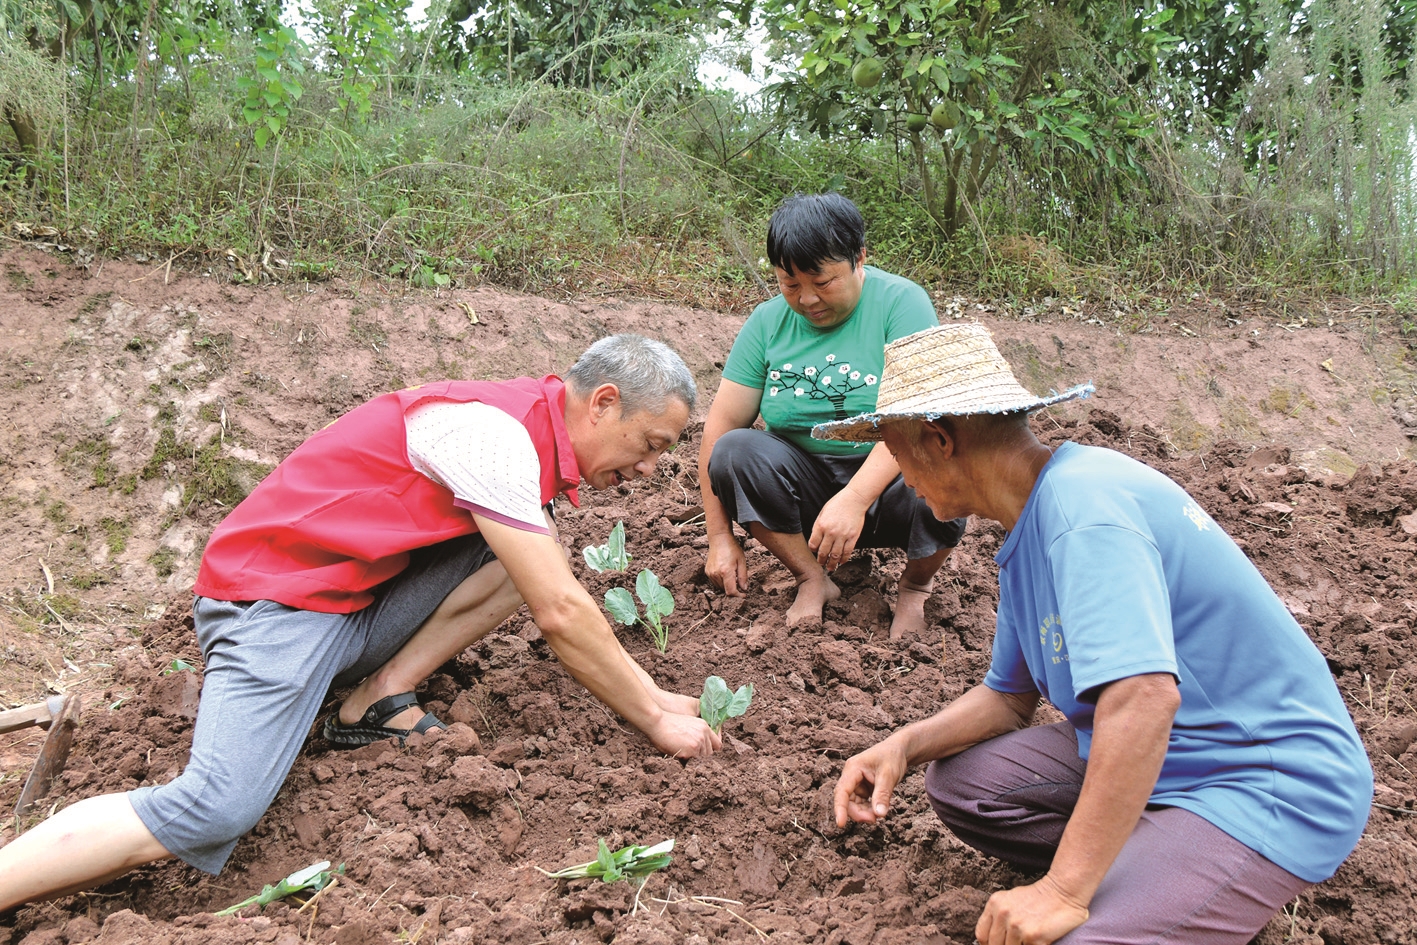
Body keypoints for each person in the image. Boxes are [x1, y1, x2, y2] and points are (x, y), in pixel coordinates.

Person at [0, 334, 720, 912]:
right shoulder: (490, 436)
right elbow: (560, 612)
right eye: (653, 444)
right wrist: (653, 719)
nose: (653, 466)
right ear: (601, 403)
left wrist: (657, 695)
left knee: (528, 552)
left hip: (345, 607)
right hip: (272, 605)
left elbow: (543, 586)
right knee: (216, 805)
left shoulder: (525, 438)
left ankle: (375, 696)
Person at [819, 324, 1372, 945]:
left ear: (939, 441)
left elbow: (1143, 699)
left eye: (895, 452)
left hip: (1262, 780)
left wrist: (1062, 889)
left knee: (1076, 935)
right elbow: (1008, 699)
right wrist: (903, 745)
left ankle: (1190, 869)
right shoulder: (1032, 520)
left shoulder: (1083, 513)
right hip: (1172, 766)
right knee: (965, 785)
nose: (899, 476)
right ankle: (1157, 862)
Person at [699, 193, 964, 637]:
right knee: (733, 451)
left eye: (823, 282)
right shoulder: (766, 323)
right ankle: (812, 577)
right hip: (805, 492)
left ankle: (916, 587)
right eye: (789, 284)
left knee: (954, 452)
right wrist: (719, 537)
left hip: (899, 482)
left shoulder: (902, 304)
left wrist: (855, 499)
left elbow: (914, 417)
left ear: (859, 258)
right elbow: (721, 426)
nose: (806, 299)